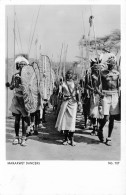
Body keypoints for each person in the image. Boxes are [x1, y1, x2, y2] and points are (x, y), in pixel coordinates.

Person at [6, 58, 29, 146]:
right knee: (16, 119)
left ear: (26, 66)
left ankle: (23, 138)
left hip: (25, 100)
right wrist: (9, 85)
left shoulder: (29, 76)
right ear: (18, 66)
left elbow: (31, 88)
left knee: (25, 119)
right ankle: (16, 137)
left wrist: (23, 81)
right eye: (21, 64)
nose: (22, 66)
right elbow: (12, 86)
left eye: (24, 64)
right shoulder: (14, 75)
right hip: (16, 99)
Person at [98, 56, 120, 146]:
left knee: (112, 118)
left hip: (115, 95)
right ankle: (100, 129)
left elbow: (121, 85)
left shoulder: (118, 74)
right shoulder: (102, 73)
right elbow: (96, 86)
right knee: (106, 117)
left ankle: (109, 138)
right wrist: (100, 93)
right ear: (107, 65)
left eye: (113, 64)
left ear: (114, 65)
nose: (111, 66)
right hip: (105, 95)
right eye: (109, 64)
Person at [55, 70, 81, 146]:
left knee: (72, 121)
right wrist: (62, 96)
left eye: (71, 74)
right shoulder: (63, 84)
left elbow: (78, 94)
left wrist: (79, 103)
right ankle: (65, 138)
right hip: (65, 103)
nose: (69, 75)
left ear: (73, 75)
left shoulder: (76, 84)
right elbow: (59, 95)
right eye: (68, 73)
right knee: (65, 121)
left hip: (73, 103)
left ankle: (72, 139)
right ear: (66, 75)